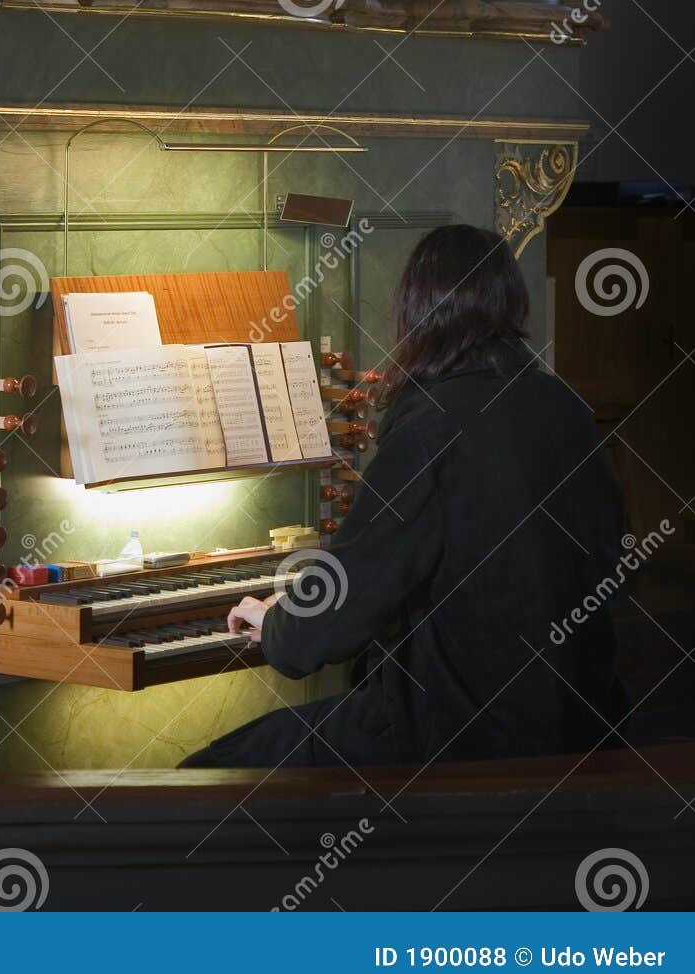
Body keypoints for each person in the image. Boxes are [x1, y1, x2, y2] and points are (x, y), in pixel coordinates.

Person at [180, 223, 627, 769]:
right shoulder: (569, 410)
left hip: (461, 737)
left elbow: (348, 601)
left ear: (417, 312)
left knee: (207, 775)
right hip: (584, 725)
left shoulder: (430, 421)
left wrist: (278, 624)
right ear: (513, 302)